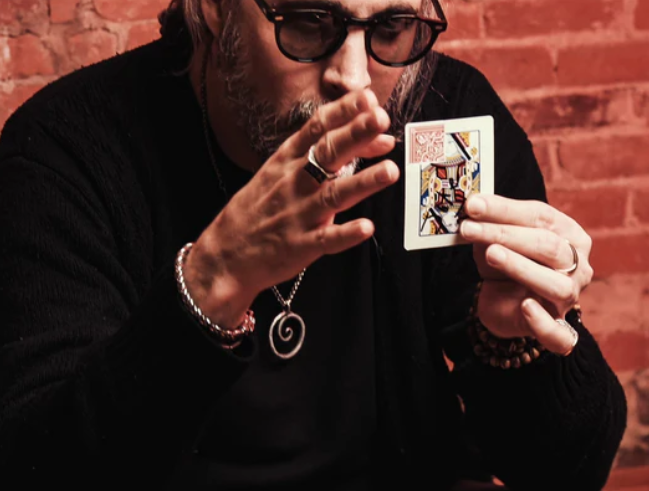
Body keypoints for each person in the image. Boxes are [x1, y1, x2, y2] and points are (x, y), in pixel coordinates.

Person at [0, 0, 627, 490]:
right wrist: (209, 285)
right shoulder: (66, 153)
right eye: (306, 23)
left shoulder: (444, 121)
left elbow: (568, 471)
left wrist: (519, 343)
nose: (352, 80)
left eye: (390, 29)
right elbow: (36, 468)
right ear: (214, 7)